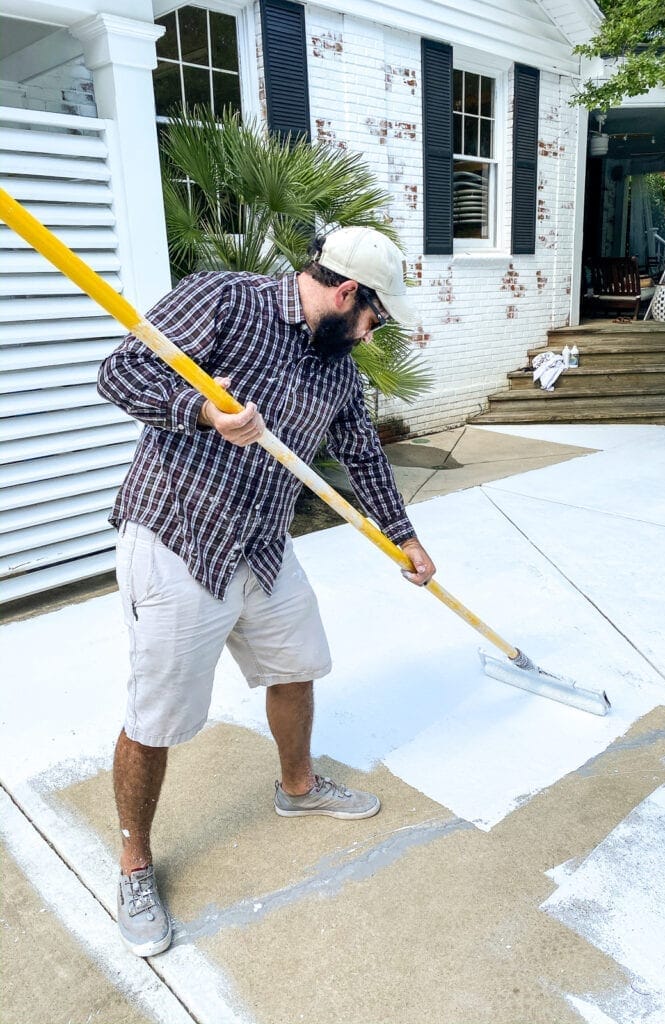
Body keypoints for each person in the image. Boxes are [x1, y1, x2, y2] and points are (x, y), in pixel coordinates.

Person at [97, 225, 436, 957]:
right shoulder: (224, 299)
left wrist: (403, 536)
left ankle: (299, 788)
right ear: (349, 293)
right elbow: (120, 373)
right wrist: (202, 412)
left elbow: (363, 455)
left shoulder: (338, 373)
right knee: (156, 717)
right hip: (179, 537)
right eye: (375, 316)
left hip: (263, 545)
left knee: (298, 663)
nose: (373, 332)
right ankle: (133, 864)